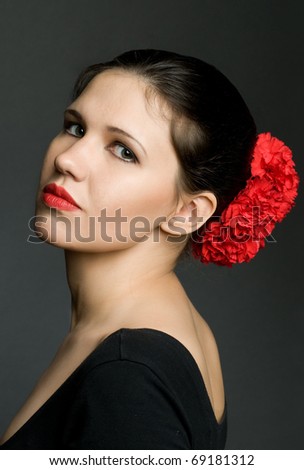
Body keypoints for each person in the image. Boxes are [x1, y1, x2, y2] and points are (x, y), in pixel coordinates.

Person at [0, 49, 299, 450]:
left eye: (124, 150)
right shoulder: (152, 333)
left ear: (188, 212)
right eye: (75, 127)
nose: (68, 159)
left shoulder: (129, 372)